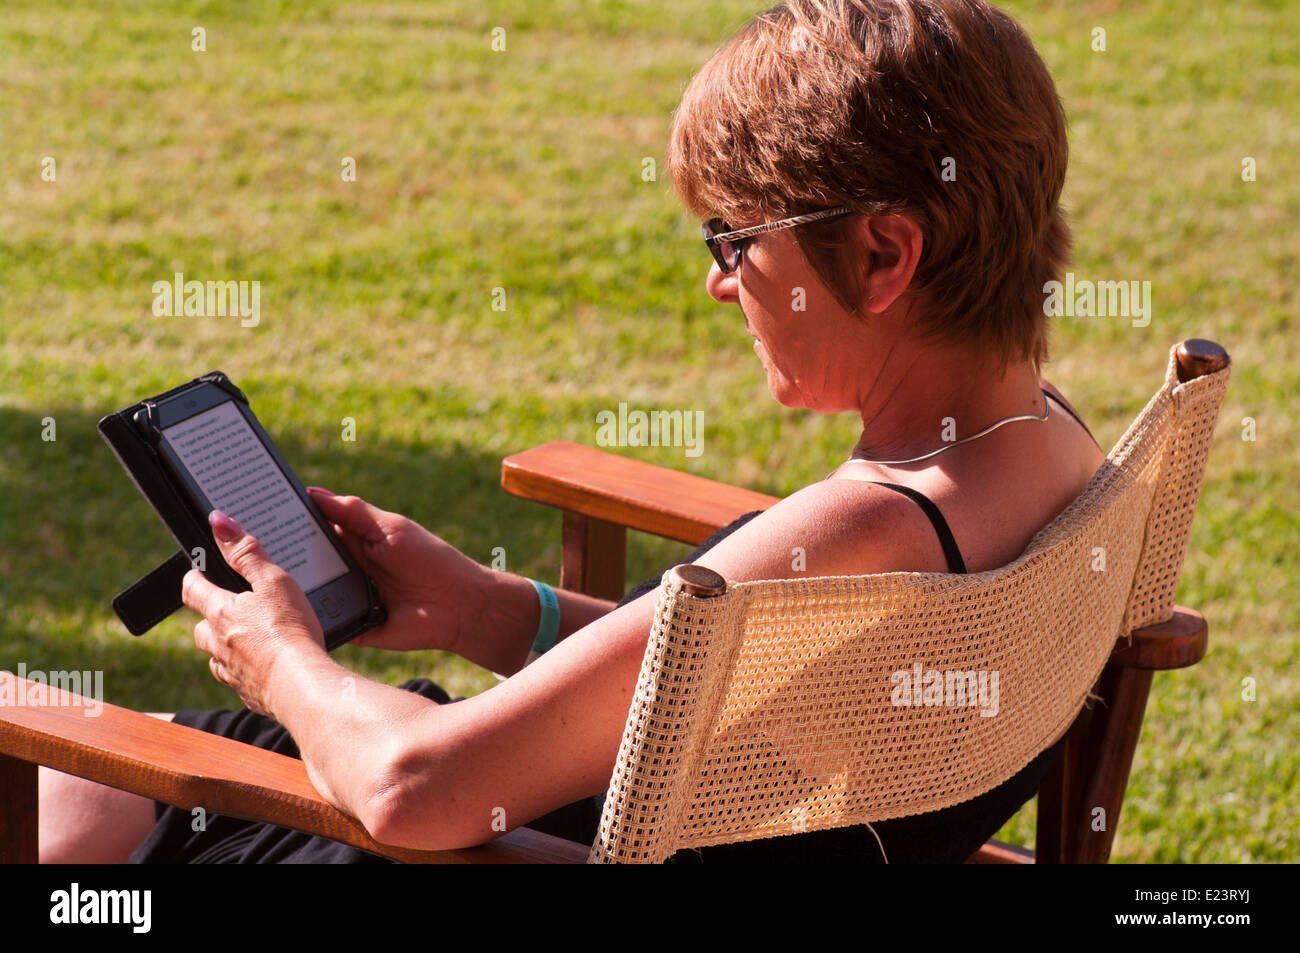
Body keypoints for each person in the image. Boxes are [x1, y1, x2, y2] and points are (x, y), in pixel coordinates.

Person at [39, 0, 1105, 863]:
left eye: (734, 240)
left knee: (61, 760)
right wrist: (487, 604)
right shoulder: (1049, 450)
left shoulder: (859, 533)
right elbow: (744, 704)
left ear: (881, 255)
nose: (716, 282)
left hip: (459, 824)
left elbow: (415, 789)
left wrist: (279, 656)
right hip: (573, 798)